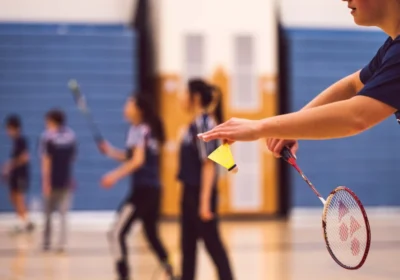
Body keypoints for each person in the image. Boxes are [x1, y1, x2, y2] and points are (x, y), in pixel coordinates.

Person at [198, 0, 400, 158]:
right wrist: (291, 129)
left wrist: (258, 127)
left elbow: (357, 116)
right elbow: (352, 85)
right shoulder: (392, 48)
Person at [99, 94, 176, 280]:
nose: (125, 107)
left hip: (143, 192)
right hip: (154, 190)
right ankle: (171, 271)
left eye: (129, 104)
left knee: (116, 233)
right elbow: (132, 156)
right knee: (151, 234)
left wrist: (113, 176)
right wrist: (110, 151)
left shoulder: (138, 130)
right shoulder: (148, 130)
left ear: (139, 109)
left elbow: (137, 161)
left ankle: (123, 276)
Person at [177, 79, 234, 280]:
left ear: (196, 97)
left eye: (185, 93)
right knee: (187, 248)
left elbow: (209, 165)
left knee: (213, 246)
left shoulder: (204, 123)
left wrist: (204, 204)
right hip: (189, 193)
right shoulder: (193, 124)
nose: (181, 98)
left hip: (200, 195)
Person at [40, 109, 77, 252]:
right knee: (63, 215)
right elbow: (72, 159)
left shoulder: (47, 137)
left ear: (52, 121)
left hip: (52, 181)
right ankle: (62, 244)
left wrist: (46, 182)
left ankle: (47, 243)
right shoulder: (71, 136)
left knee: (48, 214)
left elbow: (46, 160)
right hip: (66, 181)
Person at [2, 115, 34, 233]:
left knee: (19, 198)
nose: (7, 132)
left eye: (9, 129)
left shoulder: (21, 140)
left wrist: (10, 165)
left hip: (21, 174)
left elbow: (25, 157)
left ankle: (23, 224)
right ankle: (26, 222)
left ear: (15, 128)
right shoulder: (15, 142)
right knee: (13, 197)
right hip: (15, 175)